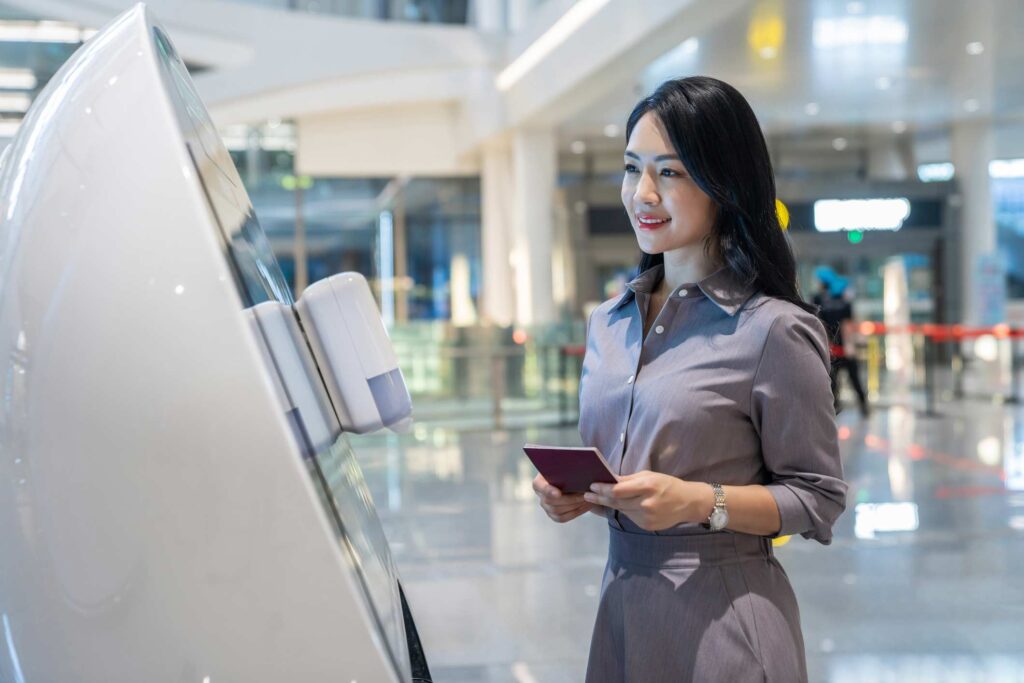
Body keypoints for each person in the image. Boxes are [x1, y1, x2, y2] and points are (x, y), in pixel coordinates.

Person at [531, 77, 847, 682]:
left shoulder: (771, 330)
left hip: (725, 624)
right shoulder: (609, 322)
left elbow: (818, 497)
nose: (642, 194)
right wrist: (578, 495)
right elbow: (627, 472)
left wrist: (700, 503)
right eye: (632, 169)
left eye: (670, 173)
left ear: (725, 184)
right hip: (622, 610)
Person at [812, 273, 870, 417]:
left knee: (834, 382)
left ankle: (834, 409)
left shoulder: (819, 300)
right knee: (852, 379)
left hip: (832, 348)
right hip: (843, 348)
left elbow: (820, 325)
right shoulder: (843, 302)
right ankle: (863, 407)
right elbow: (848, 325)